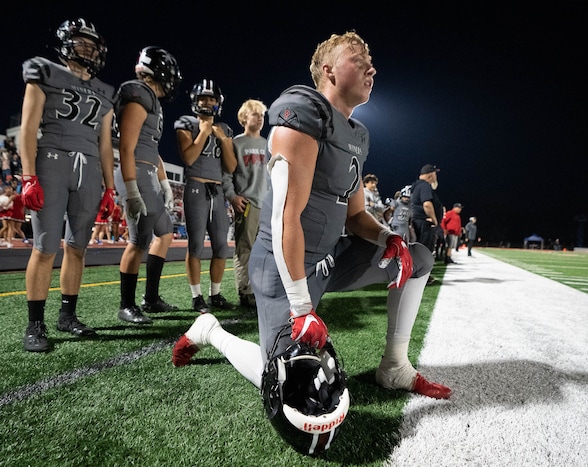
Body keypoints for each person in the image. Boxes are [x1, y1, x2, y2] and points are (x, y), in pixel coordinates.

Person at [172, 31, 451, 454]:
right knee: (291, 385)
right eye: (359, 59)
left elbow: (356, 215)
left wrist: (387, 237)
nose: (371, 67)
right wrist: (302, 308)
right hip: (284, 267)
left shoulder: (357, 134)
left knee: (418, 255)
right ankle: (212, 331)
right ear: (328, 70)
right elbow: (287, 214)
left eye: (371, 61)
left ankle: (394, 366)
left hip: (327, 258)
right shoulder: (302, 110)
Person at [19, 18, 116, 352]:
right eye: (80, 42)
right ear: (65, 44)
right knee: (45, 247)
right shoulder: (44, 71)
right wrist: (28, 175)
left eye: (92, 44)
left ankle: (67, 316)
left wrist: (110, 187)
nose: (87, 49)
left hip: (89, 168)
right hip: (52, 162)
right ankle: (34, 325)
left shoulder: (105, 91)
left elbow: (105, 145)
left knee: (77, 248)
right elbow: (28, 128)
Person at [114, 46, 182, 325]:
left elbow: (151, 147)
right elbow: (127, 147)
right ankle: (126, 305)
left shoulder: (151, 99)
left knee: (165, 232)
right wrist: (130, 189)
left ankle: (150, 298)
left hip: (149, 172)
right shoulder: (137, 93)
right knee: (138, 241)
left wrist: (164, 181)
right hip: (137, 173)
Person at [174, 79, 238, 313]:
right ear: (195, 100)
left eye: (211, 99)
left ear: (218, 102)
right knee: (196, 246)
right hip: (196, 188)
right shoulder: (186, 123)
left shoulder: (225, 128)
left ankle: (216, 294)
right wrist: (203, 133)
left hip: (217, 190)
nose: (207, 102)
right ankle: (196, 296)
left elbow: (231, 167)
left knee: (221, 246)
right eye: (203, 98)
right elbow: (189, 158)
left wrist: (223, 139)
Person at [222, 99, 269, 309]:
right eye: (255, 114)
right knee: (245, 249)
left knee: (266, 250)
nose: (260, 118)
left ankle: (261, 288)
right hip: (248, 204)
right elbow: (226, 174)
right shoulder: (236, 143)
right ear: (244, 118)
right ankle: (245, 291)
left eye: (262, 115)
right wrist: (232, 196)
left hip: (267, 205)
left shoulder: (268, 144)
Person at [410, 164, 443, 284]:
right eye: (435, 174)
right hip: (424, 223)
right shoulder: (424, 186)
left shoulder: (417, 186)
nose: (436, 177)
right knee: (424, 251)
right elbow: (427, 204)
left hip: (418, 222)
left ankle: (418, 274)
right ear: (430, 175)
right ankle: (421, 276)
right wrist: (434, 219)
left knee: (419, 250)